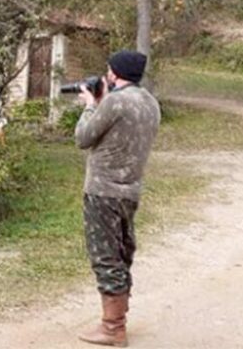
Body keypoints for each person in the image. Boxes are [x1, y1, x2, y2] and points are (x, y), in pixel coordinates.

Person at [74, 50, 161, 347]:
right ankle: (117, 320)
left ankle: (113, 328)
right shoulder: (150, 102)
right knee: (122, 253)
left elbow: (83, 137)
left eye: (109, 70)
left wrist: (89, 106)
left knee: (105, 255)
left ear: (114, 73)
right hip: (130, 189)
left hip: (103, 190)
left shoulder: (114, 101)